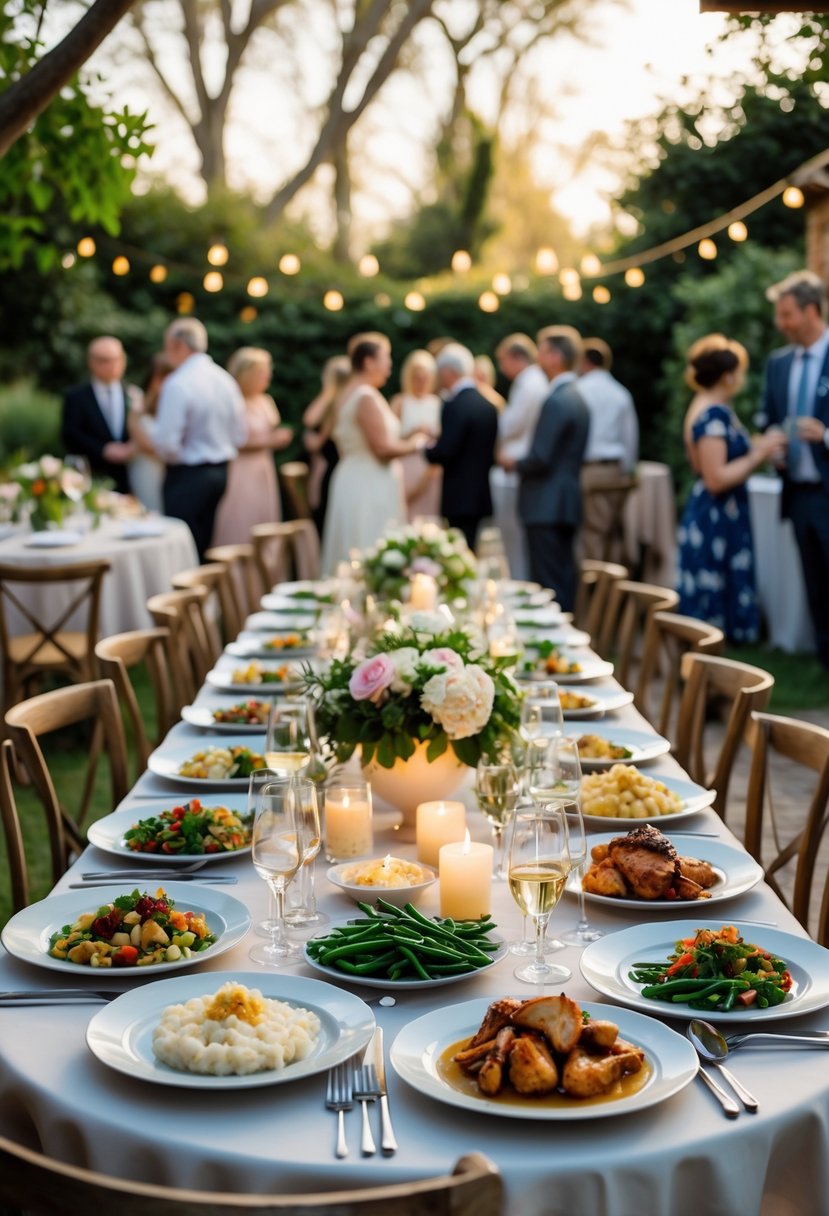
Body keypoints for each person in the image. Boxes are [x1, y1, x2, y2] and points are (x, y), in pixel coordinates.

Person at [678, 334, 786, 643]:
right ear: (728, 375)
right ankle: (712, 675)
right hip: (716, 516)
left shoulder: (704, 406)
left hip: (716, 513)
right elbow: (716, 477)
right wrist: (759, 454)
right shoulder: (713, 412)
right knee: (712, 605)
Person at [761, 270, 829, 667]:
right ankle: (824, 664)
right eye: (779, 316)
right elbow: (768, 416)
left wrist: (825, 436)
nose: (781, 324)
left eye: (787, 315)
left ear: (811, 310)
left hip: (827, 487)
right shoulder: (779, 363)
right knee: (814, 582)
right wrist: (772, 443)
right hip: (798, 492)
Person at [500, 326, 589, 611]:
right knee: (561, 576)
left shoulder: (557, 399)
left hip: (546, 504)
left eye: (541, 349)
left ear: (555, 356)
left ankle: (555, 650)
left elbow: (540, 457)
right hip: (563, 501)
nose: (536, 355)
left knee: (549, 585)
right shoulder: (575, 395)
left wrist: (512, 462)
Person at [321, 334, 426, 573]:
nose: (389, 365)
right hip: (367, 484)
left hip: (355, 477)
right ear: (368, 362)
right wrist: (417, 444)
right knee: (368, 546)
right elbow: (382, 448)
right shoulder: (365, 397)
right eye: (385, 358)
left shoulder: (348, 392)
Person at [145, 318, 246, 560]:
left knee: (181, 551)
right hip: (221, 473)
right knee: (203, 544)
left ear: (177, 344)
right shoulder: (225, 379)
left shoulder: (178, 383)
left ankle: (185, 596)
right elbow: (240, 435)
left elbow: (167, 443)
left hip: (187, 476)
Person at [212, 347, 293, 548]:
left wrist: (278, 437)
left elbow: (271, 429)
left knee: (264, 517)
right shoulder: (233, 401)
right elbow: (233, 440)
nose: (267, 377)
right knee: (241, 519)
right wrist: (270, 441)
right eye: (261, 373)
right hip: (241, 470)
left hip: (263, 467)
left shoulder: (266, 400)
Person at [423, 343, 499, 551]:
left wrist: (426, 448)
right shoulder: (488, 405)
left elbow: (446, 450)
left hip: (458, 495)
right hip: (481, 493)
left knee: (458, 553)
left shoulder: (454, 405)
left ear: (449, 371)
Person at [577, 337, 639, 561]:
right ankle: (613, 588)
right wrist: (629, 471)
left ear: (584, 361)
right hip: (614, 471)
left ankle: (596, 591)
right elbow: (629, 438)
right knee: (612, 532)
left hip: (588, 470)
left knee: (591, 533)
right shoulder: (620, 393)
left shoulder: (579, 391)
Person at [493, 333, 549, 579]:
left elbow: (510, 425)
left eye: (503, 360)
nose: (501, 368)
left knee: (514, 537)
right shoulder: (533, 381)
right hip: (520, 463)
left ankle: (518, 581)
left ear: (517, 358)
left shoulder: (529, 383)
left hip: (517, 466)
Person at [61, 336, 135, 493]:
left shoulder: (133, 394)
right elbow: (69, 434)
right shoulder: (76, 396)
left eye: (116, 359)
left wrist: (131, 448)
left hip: (129, 478)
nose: (112, 365)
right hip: (92, 476)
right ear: (91, 362)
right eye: (104, 360)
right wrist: (103, 449)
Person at [390, 349, 442, 522]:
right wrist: (412, 433)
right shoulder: (400, 401)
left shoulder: (437, 403)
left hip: (430, 470)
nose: (421, 382)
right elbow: (389, 439)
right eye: (417, 378)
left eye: (425, 378)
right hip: (405, 467)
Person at [303, 354, 351, 536]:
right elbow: (309, 420)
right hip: (330, 469)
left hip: (335, 470)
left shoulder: (341, 405)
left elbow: (311, 427)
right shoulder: (333, 403)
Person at [127, 352, 172, 514]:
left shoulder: (174, 404)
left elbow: (151, 446)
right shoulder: (140, 401)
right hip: (143, 468)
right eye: (159, 377)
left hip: (165, 469)